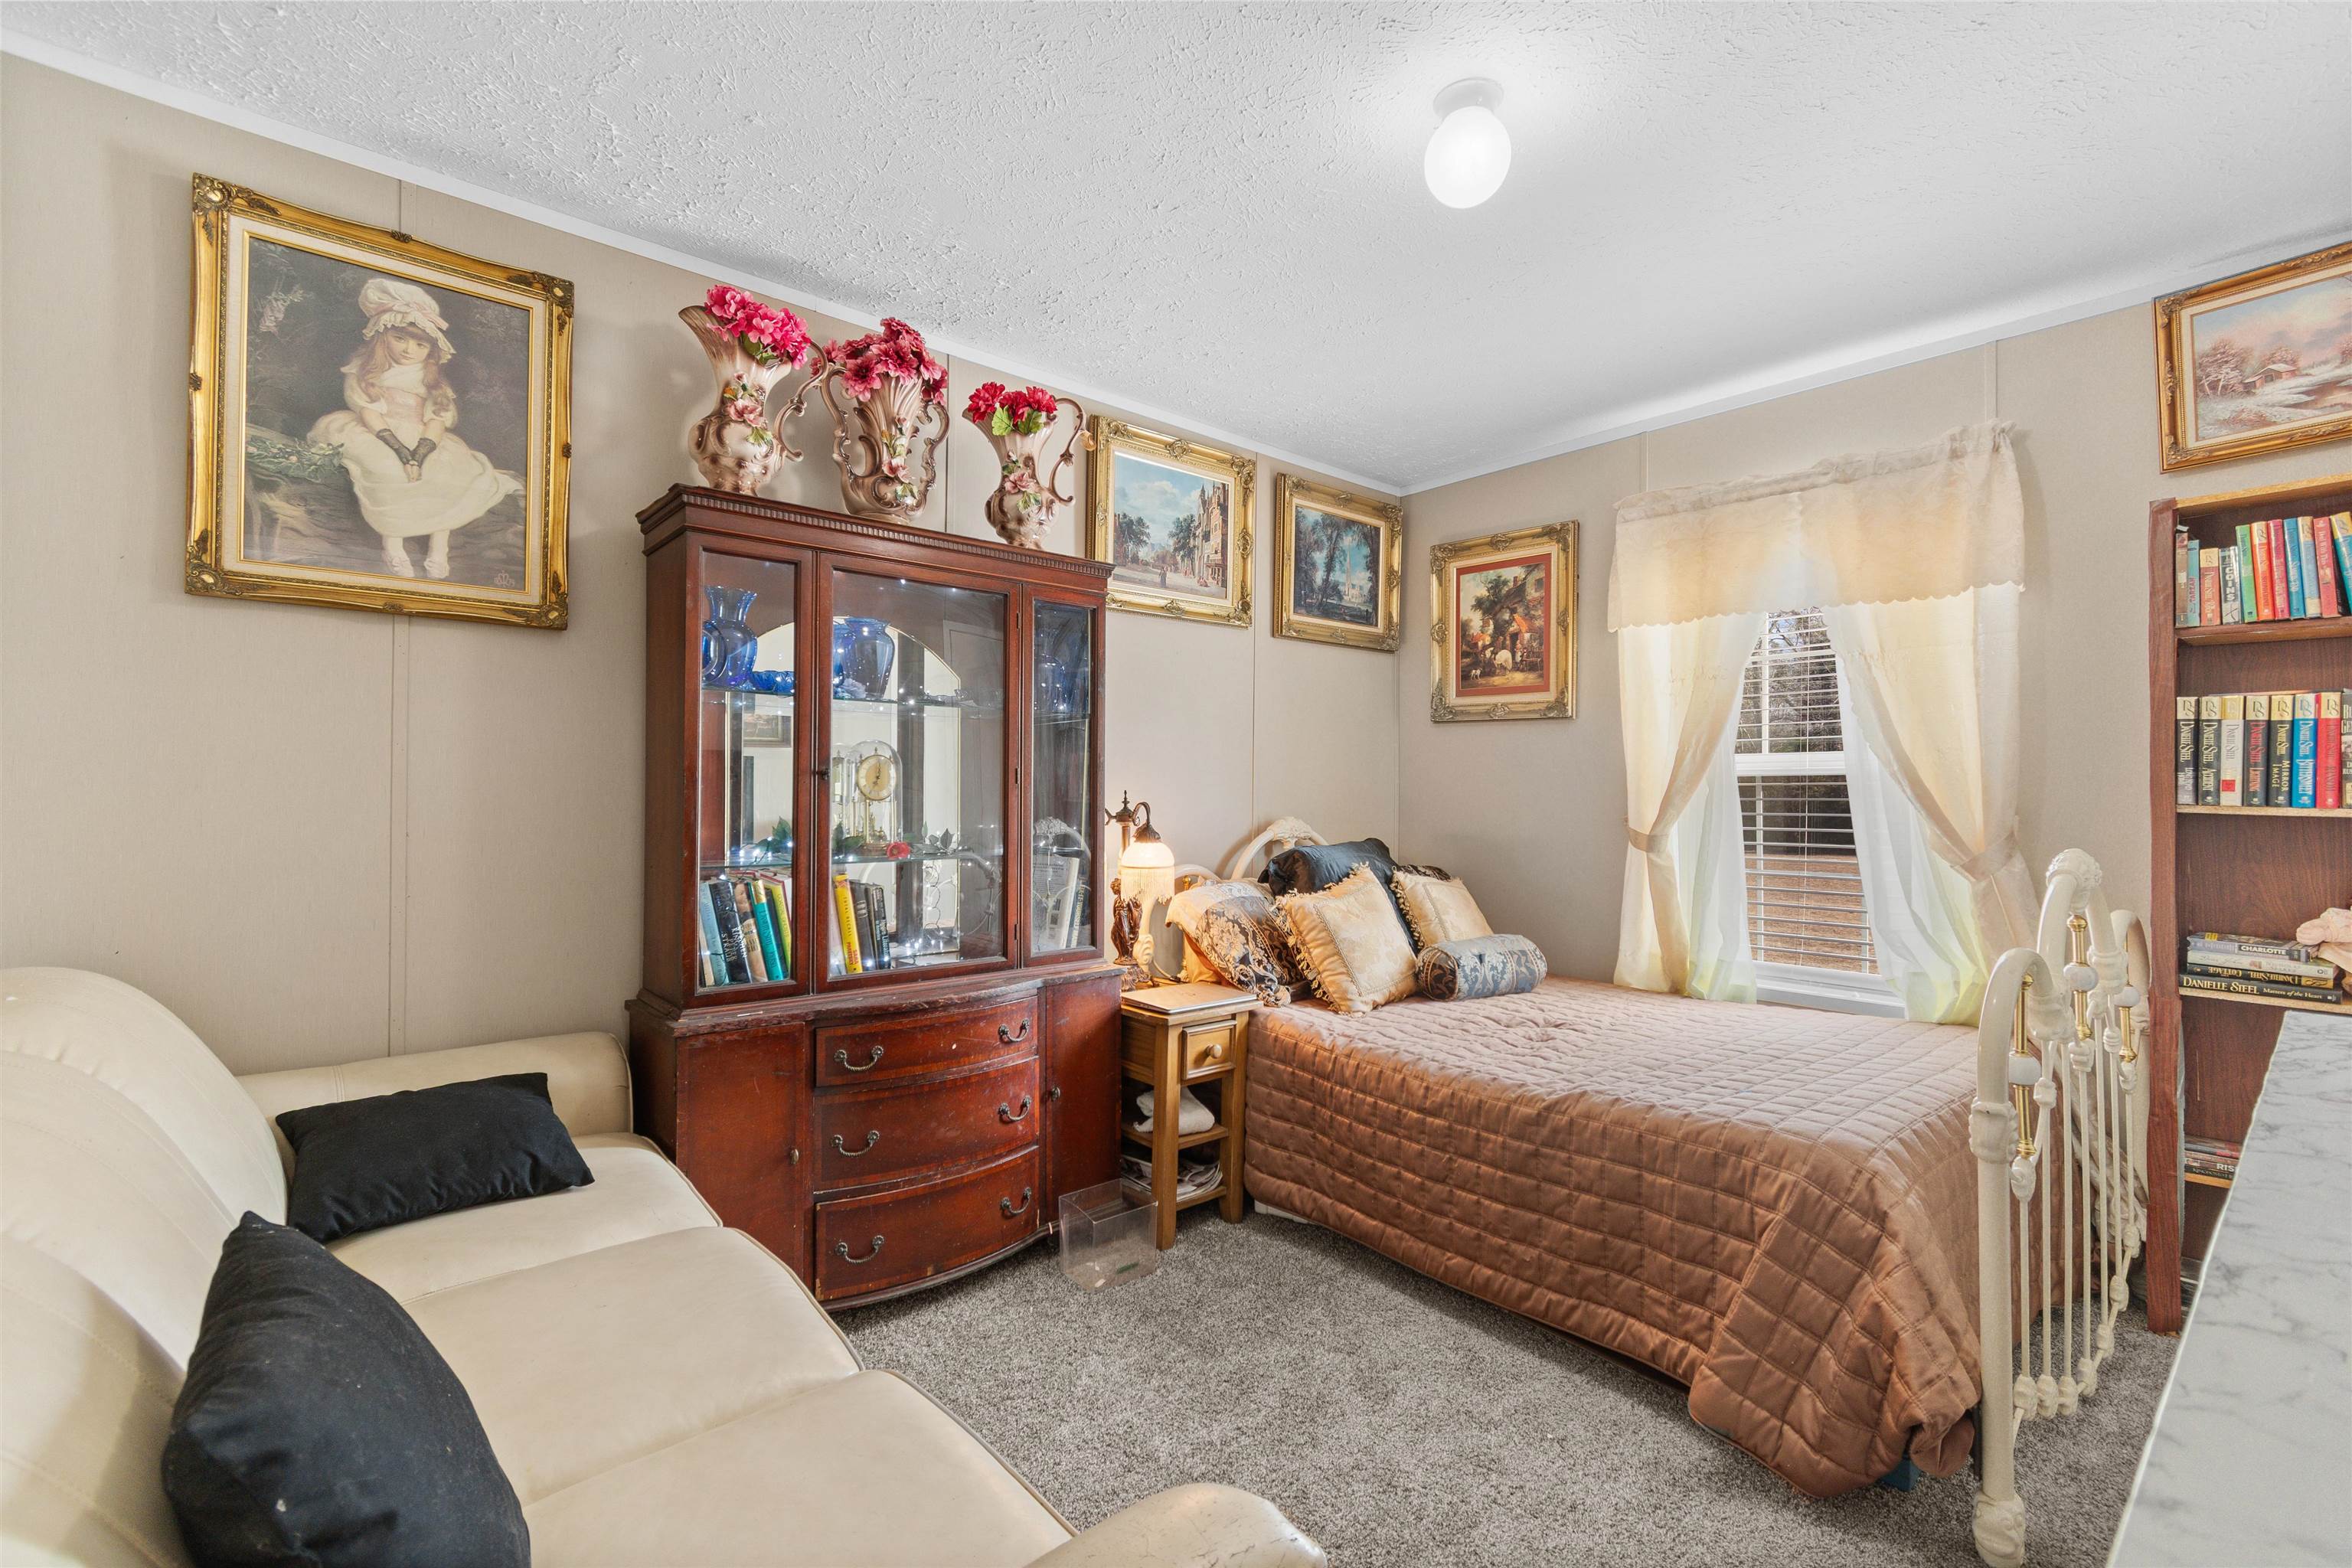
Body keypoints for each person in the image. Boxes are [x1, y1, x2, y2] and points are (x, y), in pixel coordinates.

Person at [309, 276, 519, 580]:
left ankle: (439, 547)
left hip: (424, 436)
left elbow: (436, 420)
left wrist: (419, 453)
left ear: (431, 349)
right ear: (384, 336)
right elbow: (370, 413)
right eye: (401, 339)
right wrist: (400, 451)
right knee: (387, 469)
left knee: (446, 473)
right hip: (376, 431)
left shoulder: (430, 379)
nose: (409, 350)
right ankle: (393, 546)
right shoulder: (366, 371)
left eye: (420, 344)